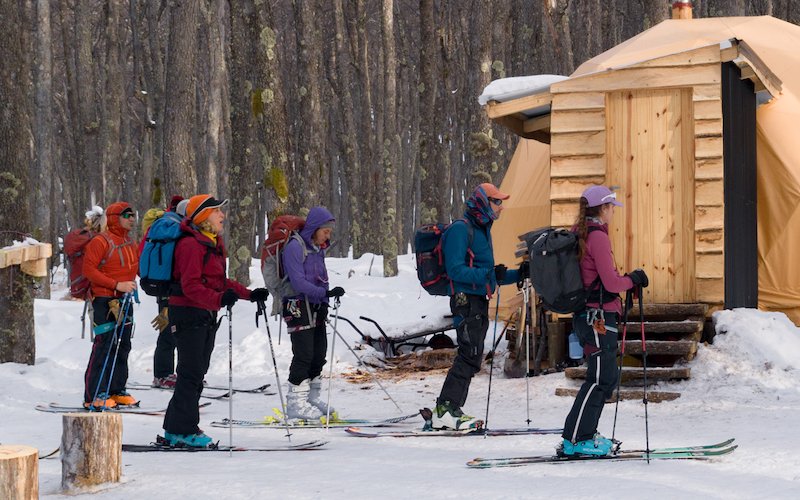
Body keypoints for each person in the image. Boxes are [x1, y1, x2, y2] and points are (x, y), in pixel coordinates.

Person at [162, 194, 269, 447]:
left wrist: (249, 294)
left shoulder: (211, 242)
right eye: (217, 212)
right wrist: (219, 300)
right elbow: (190, 287)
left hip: (205, 314)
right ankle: (181, 431)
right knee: (190, 374)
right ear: (202, 217)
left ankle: (181, 427)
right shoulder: (190, 245)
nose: (223, 216)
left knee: (196, 374)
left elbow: (220, 282)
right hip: (188, 313)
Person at [559, 185, 648, 456]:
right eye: (611, 208)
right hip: (597, 316)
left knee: (603, 377)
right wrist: (632, 279)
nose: (613, 213)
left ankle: (584, 435)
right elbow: (610, 281)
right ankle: (575, 439)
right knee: (600, 378)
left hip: (590, 315)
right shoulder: (597, 237)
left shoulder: (582, 234)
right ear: (604, 208)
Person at [432, 183, 525, 430]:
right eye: (497, 202)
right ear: (483, 203)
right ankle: (444, 409)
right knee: (468, 354)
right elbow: (455, 270)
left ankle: (450, 409)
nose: (501, 207)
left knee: (473, 356)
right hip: (465, 301)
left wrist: (519, 274)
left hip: (478, 301)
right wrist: (490, 274)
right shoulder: (461, 230)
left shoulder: (482, 230)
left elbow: (489, 274)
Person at [281, 206, 344, 420]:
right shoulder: (295, 247)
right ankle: (294, 403)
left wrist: (326, 297)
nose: (328, 235)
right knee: (304, 354)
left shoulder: (319, 250)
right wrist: (323, 292)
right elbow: (298, 282)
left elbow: (321, 277)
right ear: (315, 228)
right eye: (325, 231)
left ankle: (311, 397)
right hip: (296, 305)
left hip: (316, 305)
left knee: (319, 353)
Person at [82, 202, 139, 409]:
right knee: (104, 345)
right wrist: (116, 285)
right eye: (127, 215)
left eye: (133, 215)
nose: (131, 219)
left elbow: (138, 267)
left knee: (123, 344)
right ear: (115, 217)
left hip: (125, 300)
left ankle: (117, 389)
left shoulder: (130, 243)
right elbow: (89, 270)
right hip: (104, 300)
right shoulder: (101, 241)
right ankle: (95, 393)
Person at [141, 195, 184, 389]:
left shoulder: (163, 228)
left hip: (165, 288)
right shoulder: (172, 229)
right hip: (170, 288)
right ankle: (162, 373)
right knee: (168, 332)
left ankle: (170, 372)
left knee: (171, 330)